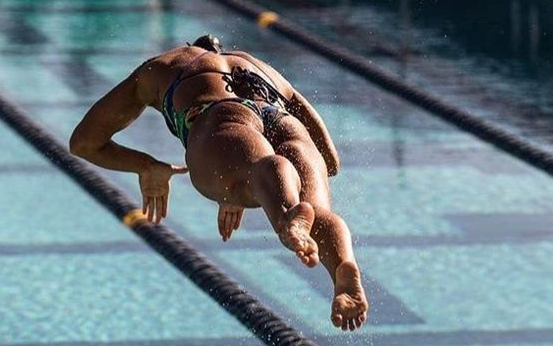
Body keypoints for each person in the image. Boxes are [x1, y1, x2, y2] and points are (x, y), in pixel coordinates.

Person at [70, 34, 368, 330]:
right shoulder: (257, 65)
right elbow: (330, 161)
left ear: (189, 49)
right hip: (280, 115)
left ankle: (287, 212)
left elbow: (84, 142)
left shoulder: (160, 66)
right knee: (316, 209)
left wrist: (148, 166)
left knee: (259, 174)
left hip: (220, 116)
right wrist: (240, 179)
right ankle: (342, 263)